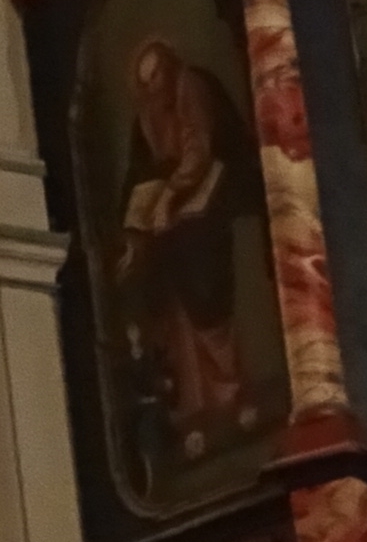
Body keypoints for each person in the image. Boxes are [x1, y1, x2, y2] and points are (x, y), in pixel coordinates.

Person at [111, 38, 267, 458]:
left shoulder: (192, 87)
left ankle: (233, 391)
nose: (154, 88)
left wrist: (170, 196)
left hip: (214, 191)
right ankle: (192, 407)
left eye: (157, 76)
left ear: (170, 67)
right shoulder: (146, 115)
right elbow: (139, 174)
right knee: (163, 281)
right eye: (146, 83)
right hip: (175, 214)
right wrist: (133, 234)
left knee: (204, 280)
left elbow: (199, 148)